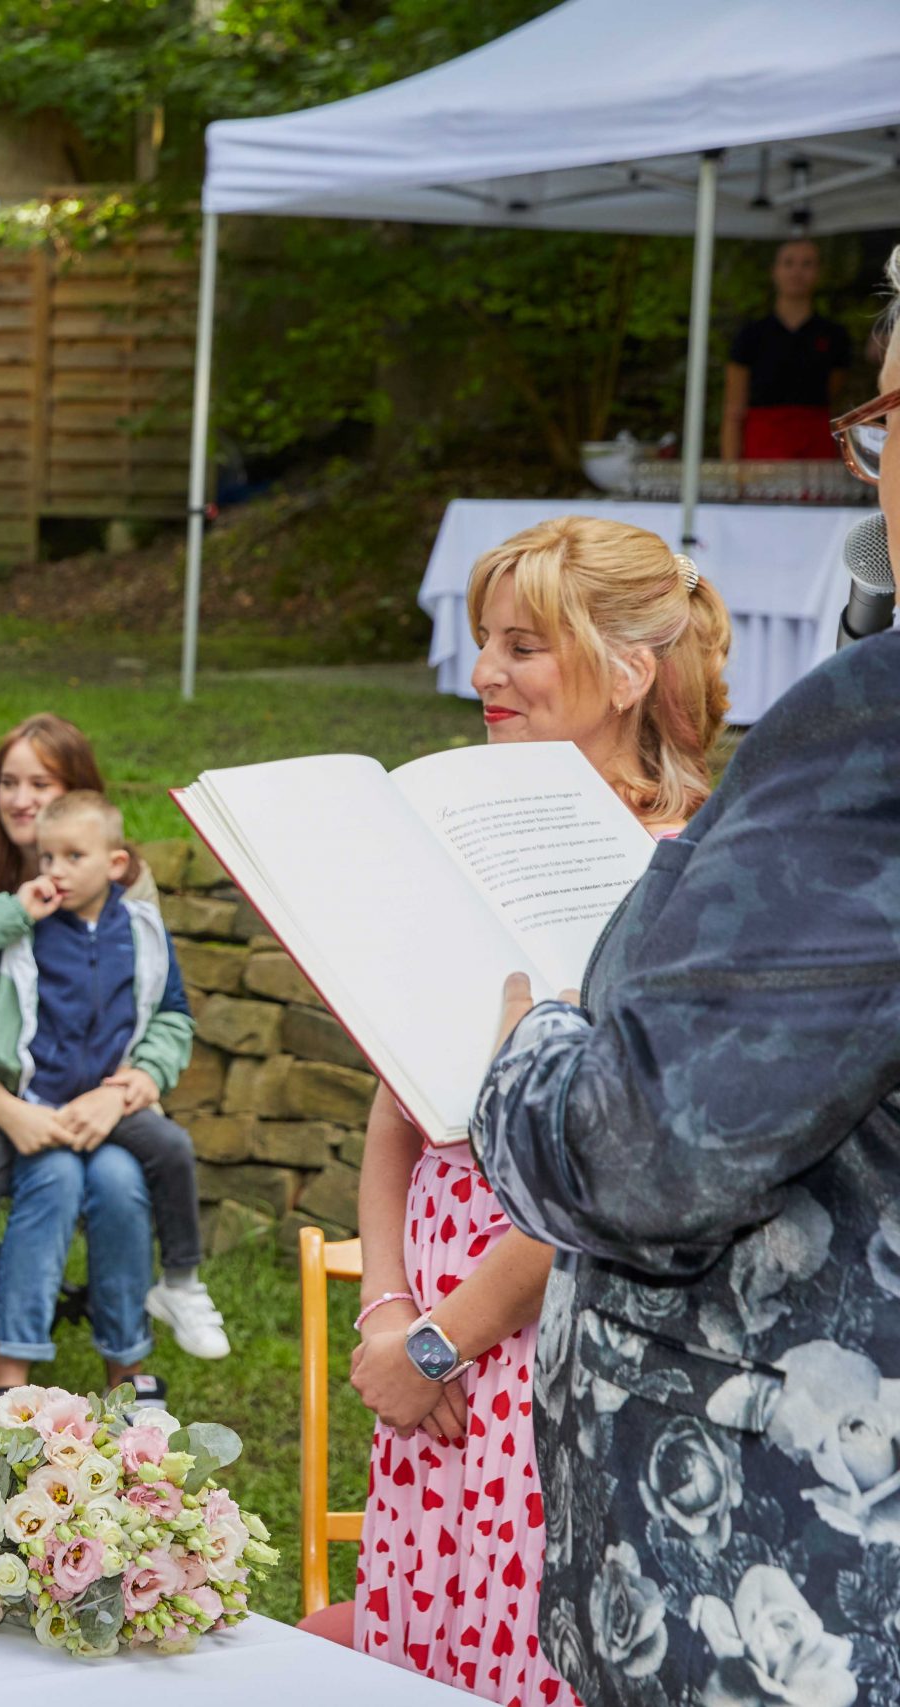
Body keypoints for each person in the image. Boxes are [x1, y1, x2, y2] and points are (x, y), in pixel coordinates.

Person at [466, 458, 896, 1706]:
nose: (870, 476)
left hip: (791, 1572)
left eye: (879, 427)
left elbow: (650, 1150)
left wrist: (532, 1049)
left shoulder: (872, 730)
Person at [325, 513, 735, 1703]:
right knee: (427, 1643)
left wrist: (446, 1336)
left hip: (564, 1330)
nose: (482, 674)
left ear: (627, 671)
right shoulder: (458, 847)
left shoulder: (684, 873)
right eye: (482, 643)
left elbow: (620, 1164)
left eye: (521, 646)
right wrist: (388, 1314)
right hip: (430, 1349)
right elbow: (396, 1104)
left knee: (530, 1645)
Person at [0, 713, 175, 1409]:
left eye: (41, 784)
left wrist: (125, 1090)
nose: (21, 800)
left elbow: (156, 1009)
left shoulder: (125, 883)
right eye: (8, 783)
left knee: (117, 1179)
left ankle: (128, 1375)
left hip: (93, 1106)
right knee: (44, 1175)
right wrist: (13, 1111)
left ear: (77, 793)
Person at [722, 237, 851, 462]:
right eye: (789, 263)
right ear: (774, 271)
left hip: (816, 448)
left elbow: (835, 399)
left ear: (819, 272)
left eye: (806, 264)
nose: (797, 272)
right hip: (763, 447)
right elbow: (734, 410)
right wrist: (730, 469)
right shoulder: (751, 335)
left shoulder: (835, 335)